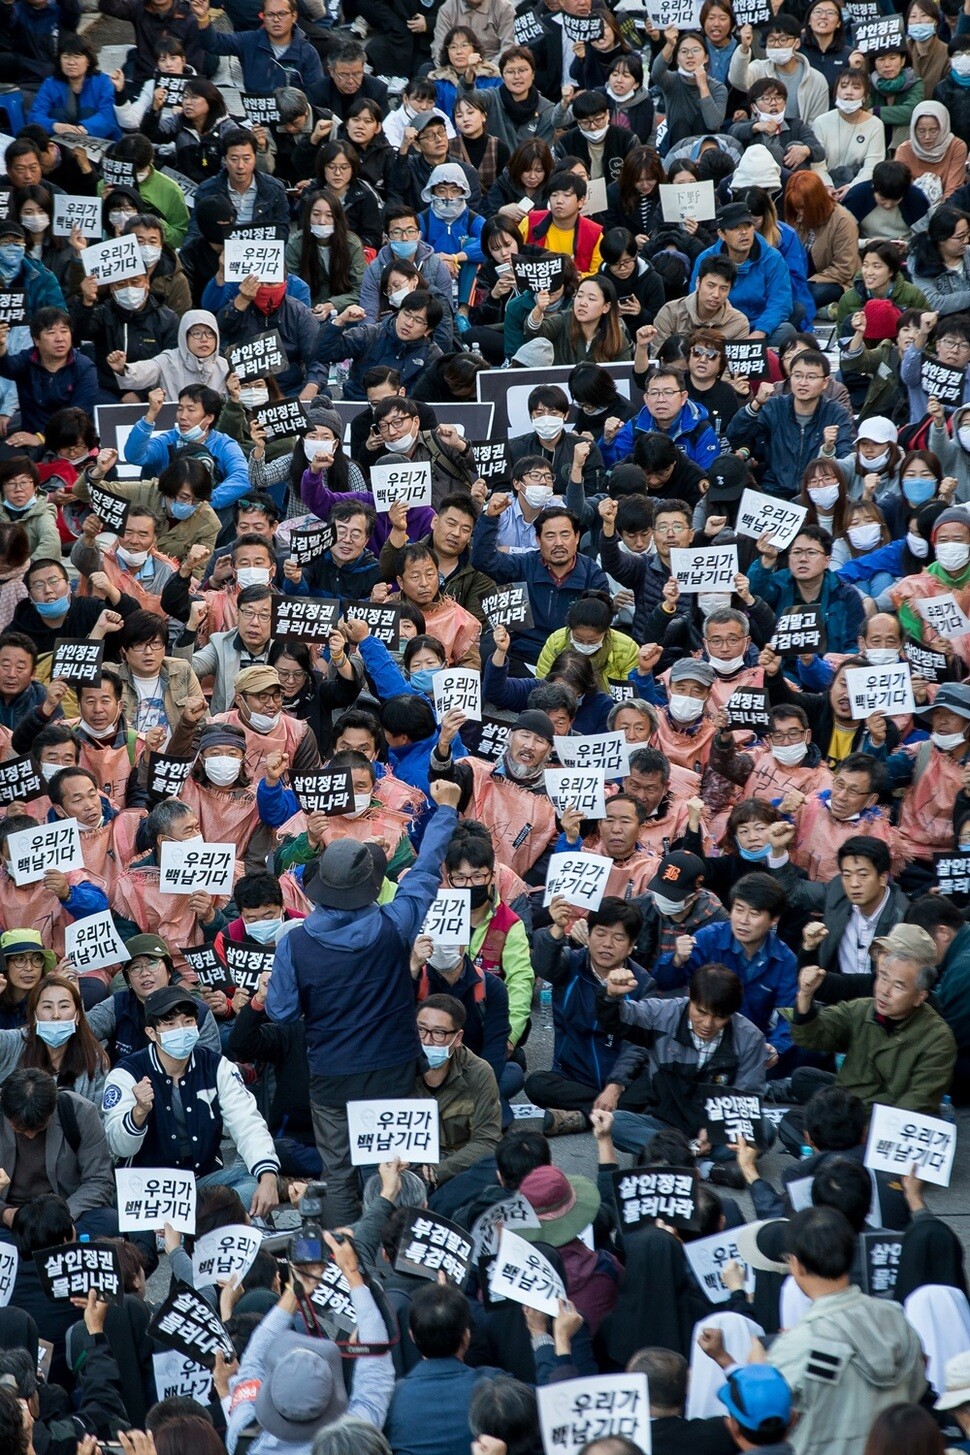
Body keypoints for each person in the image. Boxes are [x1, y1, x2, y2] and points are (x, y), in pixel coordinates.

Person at [265, 778, 462, 1227]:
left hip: (332, 1078)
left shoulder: (293, 946)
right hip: (394, 1070)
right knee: (392, 1170)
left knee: (339, 1174)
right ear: (373, 886)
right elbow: (428, 871)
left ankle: (343, 1262)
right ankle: (396, 1247)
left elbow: (280, 1013)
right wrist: (446, 809)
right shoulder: (396, 923)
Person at [706, 1207, 926, 1455]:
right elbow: (919, 1386)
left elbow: (767, 1421)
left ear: (796, 1264)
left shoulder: (798, 1344)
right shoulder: (895, 1317)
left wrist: (761, 1370)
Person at [101, 984, 281, 1218]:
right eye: (170, 1023)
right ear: (151, 1033)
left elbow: (247, 1122)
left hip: (203, 1182)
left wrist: (268, 1176)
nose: (181, 1029)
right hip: (147, 1190)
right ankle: (216, 1220)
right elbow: (119, 1146)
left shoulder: (217, 1066)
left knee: (254, 1180)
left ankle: (198, 1223)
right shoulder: (127, 1073)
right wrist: (138, 1113)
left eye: (188, 1022)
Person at [599, 962, 767, 1158]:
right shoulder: (662, 1014)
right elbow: (617, 1020)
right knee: (615, 1123)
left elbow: (748, 1097)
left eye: (719, 1017)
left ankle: (667, 1158)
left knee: (765, 1129)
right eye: (701, 1012)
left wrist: (715, 1130)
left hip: (717, 1133)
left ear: (732, 1014)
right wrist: (610, 995)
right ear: (690, 998)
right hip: (666, 1125)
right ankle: (698, 1163)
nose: (707, 1024)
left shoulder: (750, 1038)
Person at [524, 895, 654, 1134]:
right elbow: (543, 964)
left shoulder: (642, 983)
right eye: (601, 933)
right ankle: (603, 1114)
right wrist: (557, 929)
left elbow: (636, 1046)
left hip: (619, 1078)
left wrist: (615, 1086)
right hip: (572, 1073)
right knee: (536, 1084)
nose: (607, 944)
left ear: (632, 944)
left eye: (618, 938)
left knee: (651, 1089)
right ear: (589, 934)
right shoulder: (570, 964)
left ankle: (582, 1117)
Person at [785, 948, 956, 1113]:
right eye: (883, 978)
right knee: (802, 1078)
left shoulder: (938, 1038)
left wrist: (867, 1127)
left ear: (920, 997)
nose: (885, 991)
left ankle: (835, 1121)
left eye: (898, 986)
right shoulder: (862, 1008)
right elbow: (811, 1036)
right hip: (850, 1102)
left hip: (886, 1117)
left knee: (807, 1125)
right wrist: (805, 996)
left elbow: (918, 1101)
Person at [766, 832, 908, 997]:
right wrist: (777, 851)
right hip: (836, 1003)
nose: (854, 884)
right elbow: (793, 891)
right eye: (847, 875)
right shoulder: (837, 891)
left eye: (863, 875)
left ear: (883, 878)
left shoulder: (903, 915)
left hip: (881, 1004)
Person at [471, 500, 610, 667]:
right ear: (538, 540)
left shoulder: (592, 574)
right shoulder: (524, 565)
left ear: (577, 537)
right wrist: (489, 518)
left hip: (570, 659)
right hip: (522, 655)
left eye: (565, 535)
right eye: (550, 536)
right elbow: (483, 560)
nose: (558, 543)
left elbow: (599, 622)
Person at [384, 1282, 505, 1455]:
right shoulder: (497, 1387)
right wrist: (541, 1337)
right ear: (467, 1336)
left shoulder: (389, 1400)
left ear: (412, 1336)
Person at [0, 1067, 116, 1240]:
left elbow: (99, 1180)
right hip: (12, 1216)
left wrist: (61, 1217)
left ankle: (27, 1261)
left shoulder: (80, 1111)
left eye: (39, 1128)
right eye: (19, 1128)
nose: (30, 1135)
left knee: (111, 1221)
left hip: (65, 1213)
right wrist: (7, 1214)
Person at [414, 993, 502, 1193]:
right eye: (420, 1030)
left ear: (457, 1038)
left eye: (438, 1033)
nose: (427, 1041)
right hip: (407, 1164)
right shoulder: (399, 1067)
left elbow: (487, 1140)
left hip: (456, 1164)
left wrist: (439, 1171)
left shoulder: (479, 1072)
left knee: (497, 1168)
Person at [690, 201, 794, 347]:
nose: (744, 232)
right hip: (718, 328)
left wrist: (759, 332)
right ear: (721, 234)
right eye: (736, 228)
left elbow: (780, 302)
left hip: (757, 327)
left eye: (748, 226)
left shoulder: (773, 258)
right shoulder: (705, 259)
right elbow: (695, 298)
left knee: (786, 331)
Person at [194, 0, 324, 103]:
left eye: (282, 14)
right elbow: (214, 44)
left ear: (294, 16)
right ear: (262, 16)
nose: (276, 19)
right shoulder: (249, 40)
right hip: (255, 121)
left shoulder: (308, 52)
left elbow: (315, 95)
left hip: (292, 122)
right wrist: (203, 17)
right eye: (270, 14)